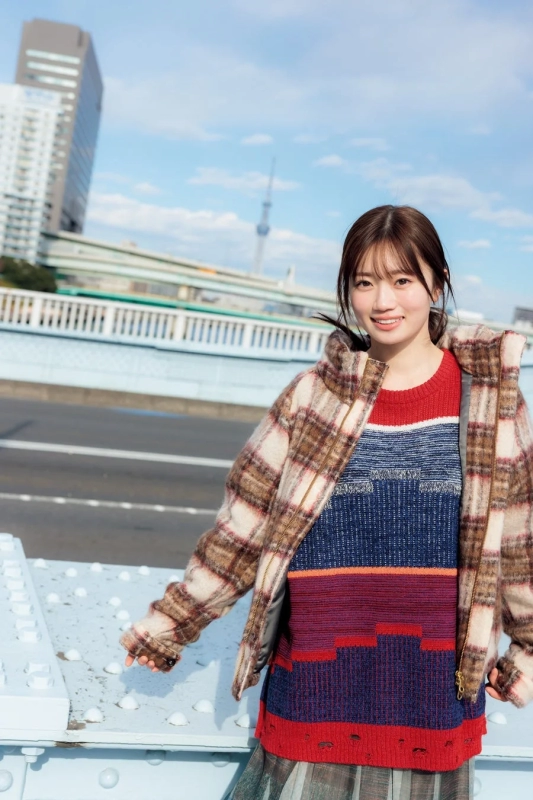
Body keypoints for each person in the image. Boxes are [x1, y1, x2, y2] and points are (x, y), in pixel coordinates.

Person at [120, 205, 533, 800]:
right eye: (365, 283)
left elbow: (519, 543)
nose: (382, 300)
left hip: (431, 695)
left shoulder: (490, 402)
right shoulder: (314, 395)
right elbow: (244, 526)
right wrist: (170, 626)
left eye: (401, 280)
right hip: (315, 685)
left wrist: (525, 650)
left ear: (436, 282)